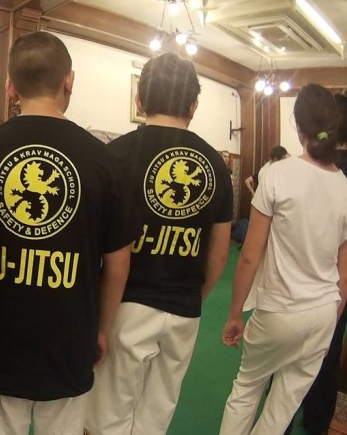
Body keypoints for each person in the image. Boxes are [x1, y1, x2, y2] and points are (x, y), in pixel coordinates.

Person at [0, 31, 137, 435]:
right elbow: (118, 262)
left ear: (11, 88)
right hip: (70, 343)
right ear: (68, 82)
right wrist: (102, 328)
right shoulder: (103, 161)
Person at [85, 53, 233, 435]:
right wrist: (193, 296)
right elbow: (219, 252)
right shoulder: (216, 165)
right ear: (194, 106)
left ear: (139, 101)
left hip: (125, 305)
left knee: (107, 418)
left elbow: (94, 244)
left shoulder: (113, 156)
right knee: (155, 416)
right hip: (184, 309)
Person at [220, 84, 347, 435]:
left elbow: (249, 256)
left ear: (298, 126)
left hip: (280, 310)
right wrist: (332, 317)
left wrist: (235, 314)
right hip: (324, 312)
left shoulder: (278, 173)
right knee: (283, 405)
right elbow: (344, 271)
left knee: (247, 388)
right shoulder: (344, 186)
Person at [282, 91, 347, 435]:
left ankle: (284, 422)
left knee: (287, 361)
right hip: (334, 288)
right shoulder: (330, 171)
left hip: (297, 286)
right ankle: (317, 424)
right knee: (327, 355)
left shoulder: (302, 168)